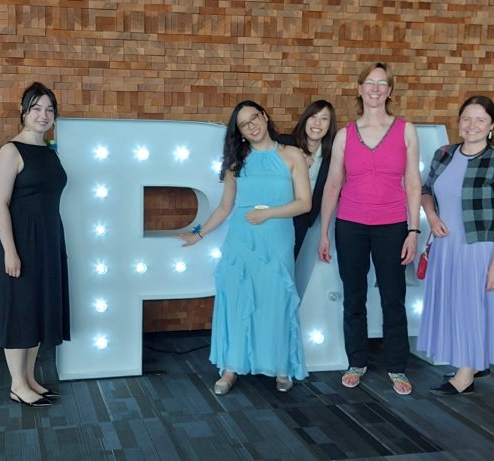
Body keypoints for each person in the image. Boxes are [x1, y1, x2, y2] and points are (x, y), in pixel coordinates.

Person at [177, 100, 311, 395]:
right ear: (239, 132)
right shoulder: (236, 163)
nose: (252, 126)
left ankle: (281, 365)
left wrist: (268, 213)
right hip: (241, 240)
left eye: (254, 118)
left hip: (276, 238)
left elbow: (304, 203)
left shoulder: (292, 156)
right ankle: (230, 368)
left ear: (264, 116)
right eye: (244, 124)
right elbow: (225, 207)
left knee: (276, 300)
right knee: (238, 302)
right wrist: (198, 234)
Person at [318, 62, 422, 395]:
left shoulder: (406, 130)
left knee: (394, 298)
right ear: (360, 89)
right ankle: (356, 362)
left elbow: (413, 183)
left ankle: (396, 367)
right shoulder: (345, 135)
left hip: (392, 226)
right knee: (354, 297)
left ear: (389, 91)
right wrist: (324, 232)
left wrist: (413, 230)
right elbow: (333, 184)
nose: (375, 89)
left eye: (382, 83)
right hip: (350, 226)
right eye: (370, 83)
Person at [418, 95, 494, 395]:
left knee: (471, 308)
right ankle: (468, 360)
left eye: (480, 120)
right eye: (466, 118)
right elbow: (426, 191)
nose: (471, 125)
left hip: (478, 248)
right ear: (459, 121)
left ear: (491, 126)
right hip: (445, 246)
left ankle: (465, 376)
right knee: (453, 306)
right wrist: (432, 216)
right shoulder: (444, 154)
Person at [0, 82, 69, 407]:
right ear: (23, 113)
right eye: (36, 108)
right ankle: (16, 383)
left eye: (49, 109)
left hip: (49, 240)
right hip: (21, 242)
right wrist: (10, 249)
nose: (44, 115)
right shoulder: (10, 151)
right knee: (20, 311)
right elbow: (0, 205)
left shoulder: (50, 151)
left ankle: (30, 378)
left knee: (38, 309)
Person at [279, 100, 337, 258]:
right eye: (313, 116)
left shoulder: (332, 157)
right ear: (305, 120)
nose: (317, 123)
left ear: (329, 126)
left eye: (324, 119)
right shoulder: (284, 143)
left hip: (303, 220)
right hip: (275, 215)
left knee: (289, 265)